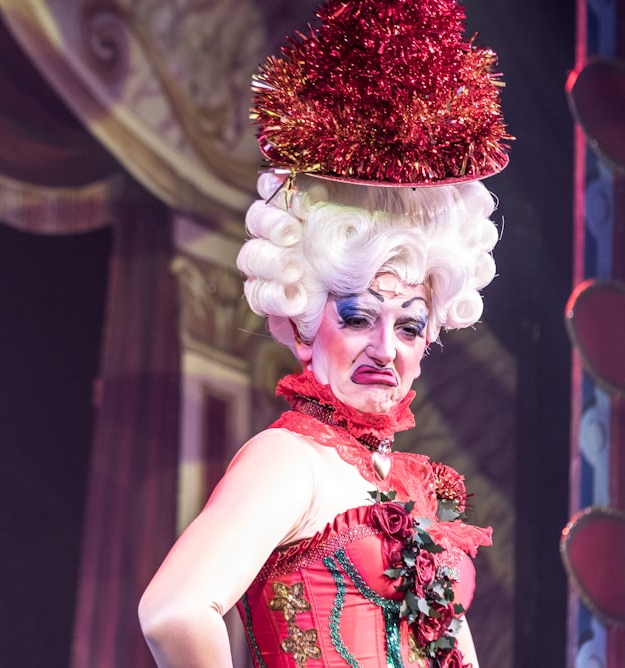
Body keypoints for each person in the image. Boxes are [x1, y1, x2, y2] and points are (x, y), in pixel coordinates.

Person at [139, 1, 511, 666]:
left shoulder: (407, 485)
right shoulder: (289, 461)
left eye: (409, 326)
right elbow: (174, 612)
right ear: (306, 319)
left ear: (430, 341)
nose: (384, 348)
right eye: (358, 316)